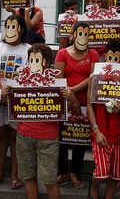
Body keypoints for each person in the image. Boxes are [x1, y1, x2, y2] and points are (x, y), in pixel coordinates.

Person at [17, 43, 73, 199]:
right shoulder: (20, 79)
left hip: (48, 138)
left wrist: (71, 97)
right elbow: (12, 105)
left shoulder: (58, 82)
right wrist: (6, 93)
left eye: (37, 59)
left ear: (47, 62)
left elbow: (69, 109)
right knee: (28, 178)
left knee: (49, 182)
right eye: (31, 59)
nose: (33, 63)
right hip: (23, 135)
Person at [0, 15, 31, 190]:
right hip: (0, 99)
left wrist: (12, 93)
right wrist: (1, 92)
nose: (11, 28)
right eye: (7, 25)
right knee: (1, 136)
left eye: (14, 25)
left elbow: (30, 74)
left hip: (18, 101)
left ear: (21, 29)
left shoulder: (28, 49)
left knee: (15, 138)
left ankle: (15, 174)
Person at [54, 22, 99, 189]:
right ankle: (64, 171)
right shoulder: (62, 53)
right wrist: (69, 95)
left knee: (80, 138)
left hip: (84, 102)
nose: (83, 37)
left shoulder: (93, 54)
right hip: (65, 102)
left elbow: (93, 77)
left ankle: (75, 173)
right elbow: (58, 77)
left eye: (86, 34)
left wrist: (73, 90)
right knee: (63, 139)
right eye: (79, 33)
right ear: (73, 34)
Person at [87, 40, 120, 199]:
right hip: (101, 133)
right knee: (101, 174)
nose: (113, 61)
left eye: (116, 58)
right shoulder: (94, 77)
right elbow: (90, 105)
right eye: (110, 57)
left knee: (115, 176)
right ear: (105, 57)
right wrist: (96, 130)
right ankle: (94, 186)